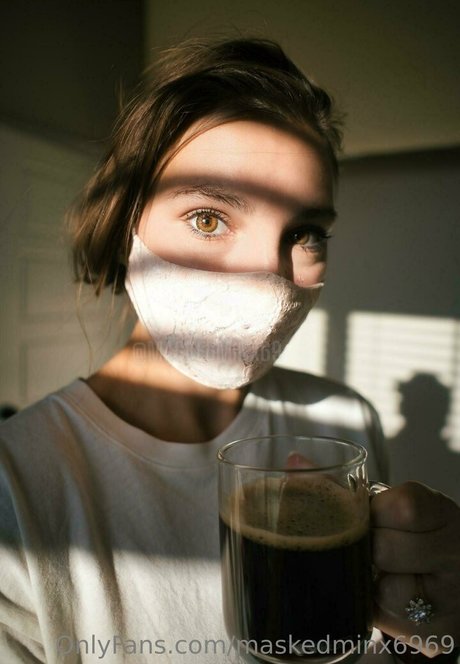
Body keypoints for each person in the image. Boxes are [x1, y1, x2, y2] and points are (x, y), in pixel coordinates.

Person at [0, 37, 458, 664]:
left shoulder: (346, 419)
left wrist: (432, 630)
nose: (267, 273)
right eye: (208, 218)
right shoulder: (16, 486)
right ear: (125, 222)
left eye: (305, 233)